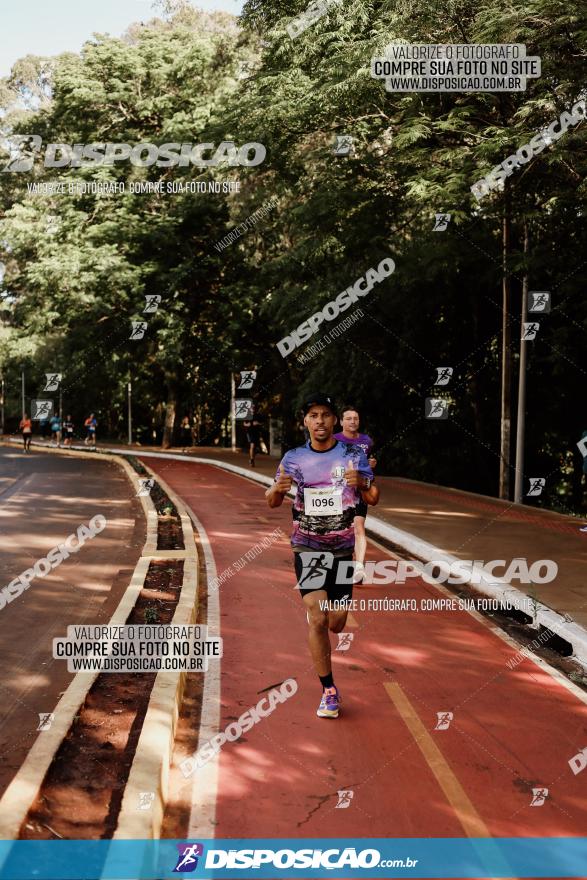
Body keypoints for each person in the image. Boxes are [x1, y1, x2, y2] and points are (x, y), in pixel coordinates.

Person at [266, 393, 379, 719]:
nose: (320, 421)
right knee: (317, 618)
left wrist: (363, 483)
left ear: (334, 421)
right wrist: (277, 489)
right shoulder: (293, 458)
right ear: (305, 421)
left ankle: (323, 613)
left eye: (325, 415)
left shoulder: (352, 454)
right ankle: (329, 690)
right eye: (313, 415)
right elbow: (272, 501)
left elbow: (373, 496)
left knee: (337, 624)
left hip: (342, 549)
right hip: (308, 546)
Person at [334, 407, 377, 584]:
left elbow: (370, 462)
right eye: (349, 418)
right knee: (340, 529)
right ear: (341, 422)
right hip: (338, 491)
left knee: (359, 526)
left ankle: (359, 567)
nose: (353, 421)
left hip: (358, 490)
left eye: (356, 418)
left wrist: (372, 464)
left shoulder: (366, 441)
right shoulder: (334, 440)